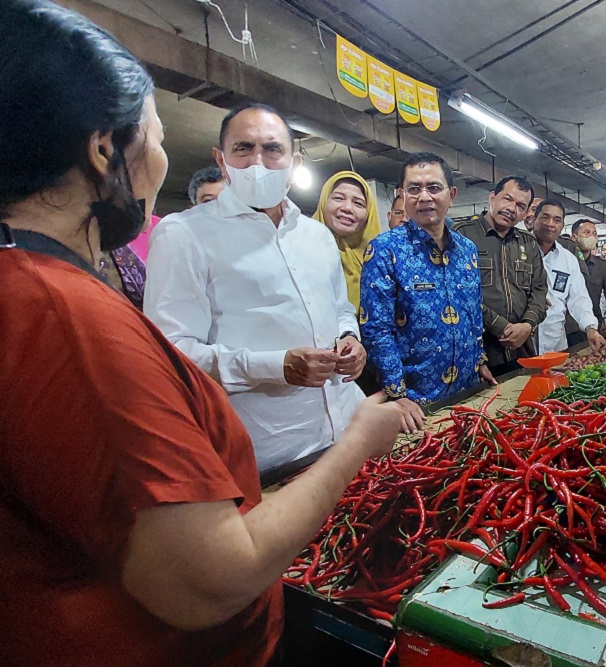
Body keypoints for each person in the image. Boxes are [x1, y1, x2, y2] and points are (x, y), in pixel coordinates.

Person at [0, 3, 404, 665]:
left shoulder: (37, 286)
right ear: (106, 150)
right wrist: (359, 436)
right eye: (154, 137)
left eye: (274, 148)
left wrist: (345, 350)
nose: (158, 160)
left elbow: (337, 310)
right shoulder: (69, 308)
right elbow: (210, 578)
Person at [145, 103, 368, 473]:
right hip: (268, 453)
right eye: (244, 149)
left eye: (273, 149)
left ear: (295, 163)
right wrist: (276, 366)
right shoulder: (184, 234)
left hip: (347, 428)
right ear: (222, 159)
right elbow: (173, 356)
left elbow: (340, 307)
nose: (258, 162)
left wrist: (350, 337)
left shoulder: (316, 235)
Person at [362, 152, 496, 418]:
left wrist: (479, 360)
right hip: (416, 405)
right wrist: (397, 394)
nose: (424, 197)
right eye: (414, 189)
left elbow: (472, 312)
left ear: (452, 194)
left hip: (468, 392)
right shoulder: (385, 250)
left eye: (434, 187)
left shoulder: (467, 249)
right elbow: (376, 328)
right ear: (402, 194)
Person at [453, 176, 547, 375]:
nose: (512, 209)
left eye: (521, 206)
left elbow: (539, 290)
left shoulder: (528, 243)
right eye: (507, 199)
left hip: (523, 351)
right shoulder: (462, 236)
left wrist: (527, 326)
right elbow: (456, 294)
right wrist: (499, 326)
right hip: (481, 355)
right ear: (492, 197)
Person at [531, 201, 606, 354]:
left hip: (556, 343)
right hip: (522, 343)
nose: (551, 224)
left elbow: (579, 298)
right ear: (534, 220)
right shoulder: (518, 252)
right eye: (545, 217)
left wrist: (591, 328)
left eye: (557, 220)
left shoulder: (568, 259)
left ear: (562, 225)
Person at [312, 170, 381, 314]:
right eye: (338, 198)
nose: (347, 208)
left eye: (358, 203)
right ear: (324, 201)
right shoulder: (298, 249)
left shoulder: (381, 260)